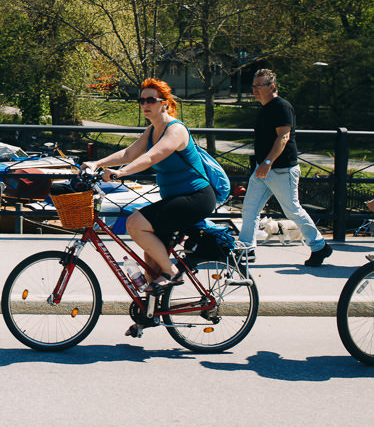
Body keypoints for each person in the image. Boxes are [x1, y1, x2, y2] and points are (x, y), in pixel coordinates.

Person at [82, 79, 216, 333]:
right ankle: (149, 315)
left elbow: (152, 157)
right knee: (150, 259)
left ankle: (173, 272)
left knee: (135, 223)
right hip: (175, 199)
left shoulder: (175, 130)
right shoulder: (152, 130)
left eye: (150, 100)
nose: (145, 104)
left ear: (164, 103)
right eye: (141, 100)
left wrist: (121, 175)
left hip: (196, 197)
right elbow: (129, 153)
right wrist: (96, 163)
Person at [238, 69, 331, 266]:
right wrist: (262, 165)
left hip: (280, 169)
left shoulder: (282, 107)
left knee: (292, 210)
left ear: (271, 87)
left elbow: (283, 136)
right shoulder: (264, 108)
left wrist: (268, 162)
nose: (254, 90)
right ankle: (246, 249)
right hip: (262, 169)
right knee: (249, 209)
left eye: (258, 86)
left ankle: (319, 246)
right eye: (253, 86)